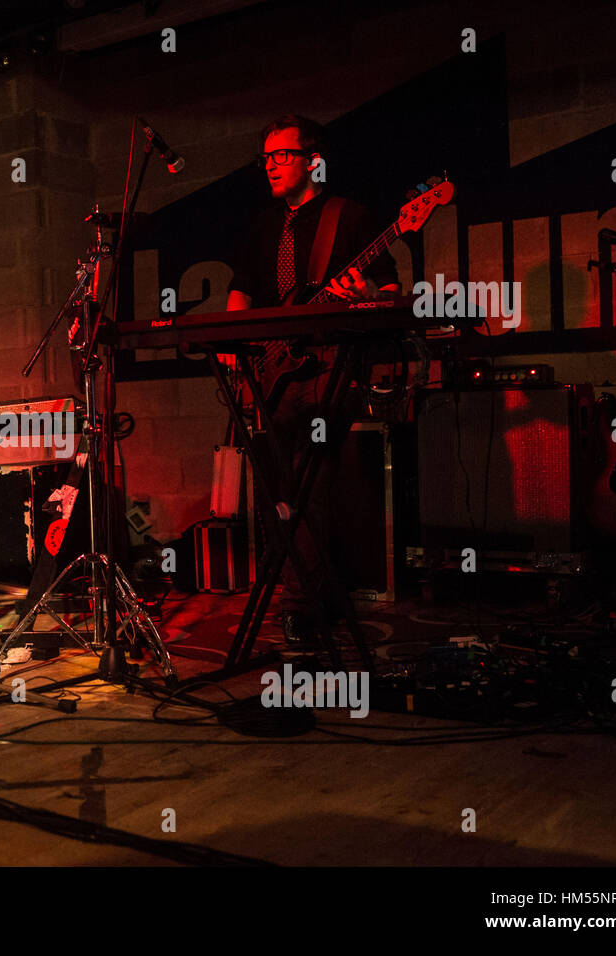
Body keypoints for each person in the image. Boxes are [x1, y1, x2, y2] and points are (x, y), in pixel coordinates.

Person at [226, 114, 400, 647]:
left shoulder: (348, 217)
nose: (272, 166)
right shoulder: (262, 227)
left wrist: (360, 294)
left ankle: (300, 604)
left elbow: (390, 292)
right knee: (275, 490)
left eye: (282, 155)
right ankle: (306, 598)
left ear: (312, 160)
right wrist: (234, 348)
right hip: (273, 374)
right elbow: (241, 292)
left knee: (309, 485)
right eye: (267, 157)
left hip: (325, 369)